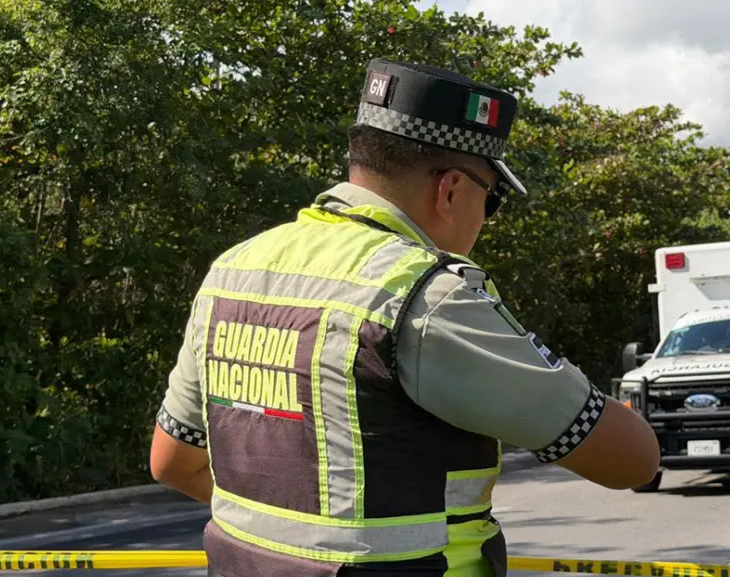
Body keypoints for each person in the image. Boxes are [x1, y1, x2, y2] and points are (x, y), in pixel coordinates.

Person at [149, 58, 660, 577]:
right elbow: (634, 460)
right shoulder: (426, 296)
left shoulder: (234, 269)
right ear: (453, 190)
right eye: (493, 198)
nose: (486, 218)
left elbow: (173, 461)